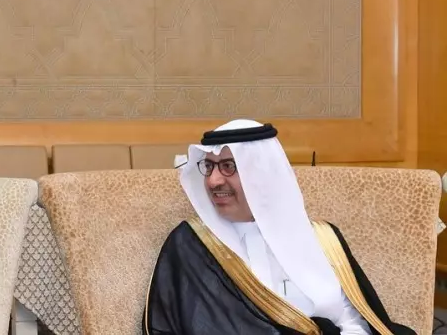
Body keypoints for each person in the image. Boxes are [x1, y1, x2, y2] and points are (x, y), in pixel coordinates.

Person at [143, 119, 414, 335]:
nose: (213, 181)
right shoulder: (192, 245)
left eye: (228, 166)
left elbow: (354, 319)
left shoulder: (323, 238)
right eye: (209, 166)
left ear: (261, 173)